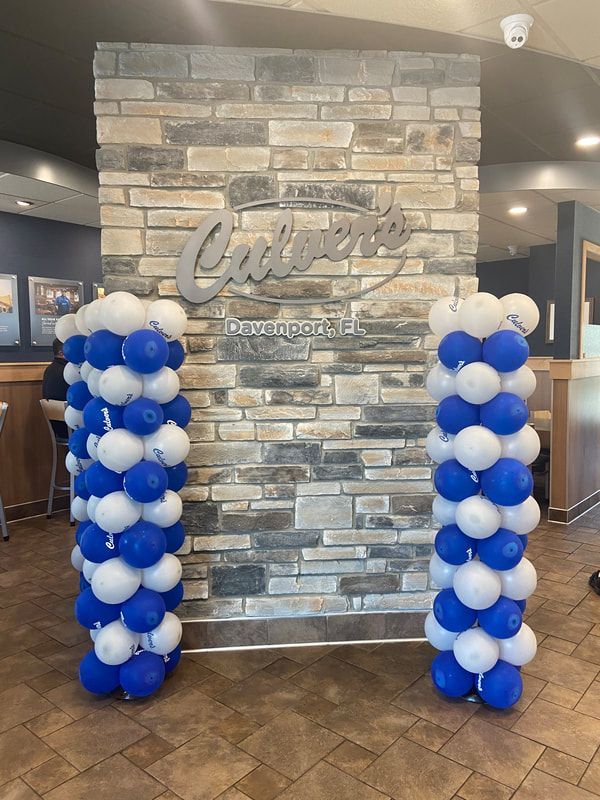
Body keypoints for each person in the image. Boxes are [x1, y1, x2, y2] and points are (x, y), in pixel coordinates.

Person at [42, 338, 69, 440]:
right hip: (69, 427)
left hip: (57, 428)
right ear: (62, 353)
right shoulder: (67, 373)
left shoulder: (50, 369)